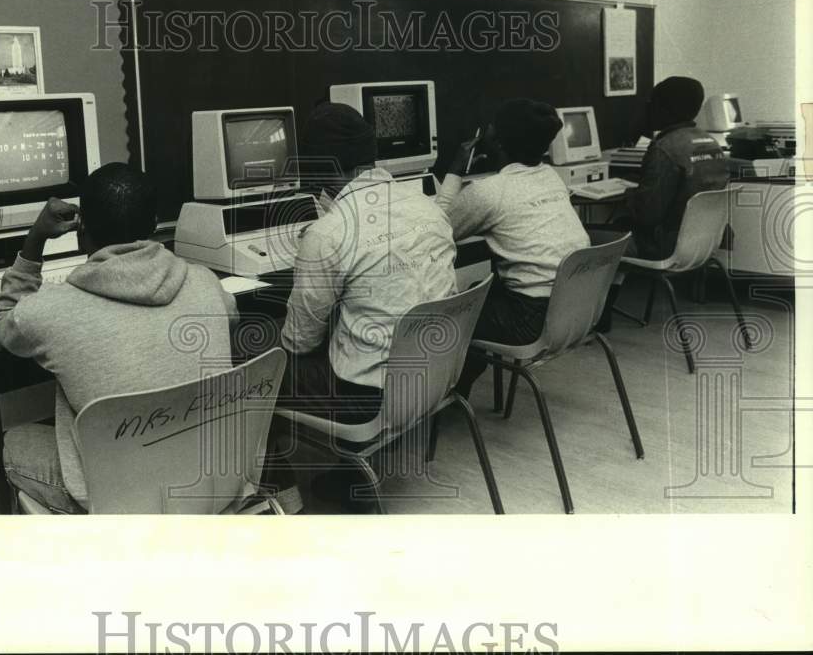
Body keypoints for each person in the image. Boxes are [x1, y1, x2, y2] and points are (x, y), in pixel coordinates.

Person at [0, 162, 238, 513]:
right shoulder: (205, 281)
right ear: (154, 224)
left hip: (121, 496)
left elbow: (5, 322)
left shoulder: (49, 310)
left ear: (81, 232)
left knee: (14, 443)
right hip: (212, 476)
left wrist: (35, 240)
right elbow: (229, 318)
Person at [267, 102, 457, 507]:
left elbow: (299, 342)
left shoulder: (330, 233)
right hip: (437, 374)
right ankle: (336, 476)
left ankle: (280, 497)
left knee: (251, 370)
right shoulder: (427, 207)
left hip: (371, 397)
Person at [437, 98, 590, 386]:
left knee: (452, 315)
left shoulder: (489, 192)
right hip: (577, 309)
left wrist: (455, 169)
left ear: (495, 138)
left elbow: (437, 229)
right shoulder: (552, 177)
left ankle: (448, 397)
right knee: (478, 293)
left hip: (531, 321)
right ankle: (460, 387)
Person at [592, 76, 729, 331]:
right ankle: (603, 315)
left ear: (664, 108)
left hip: (665, 246)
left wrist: (629, 194)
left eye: (652, 103)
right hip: (701, 245)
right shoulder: (710, 143)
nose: (647, 108)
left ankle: (593, 317)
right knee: (619, 227)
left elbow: (646, 215)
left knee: (594, 236)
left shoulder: (665, 147)